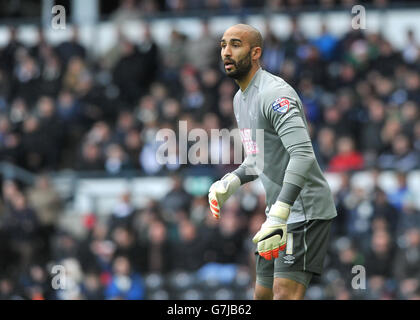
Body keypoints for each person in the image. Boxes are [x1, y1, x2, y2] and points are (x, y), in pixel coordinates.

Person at [208, 24, 337, 300]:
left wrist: (280, 213)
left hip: (304, 210)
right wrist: (232, 181)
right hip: (276, 214)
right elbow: (259, 157)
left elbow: (302, 156)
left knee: (284, 294)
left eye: (235, 44)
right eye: (223, 45)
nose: (226, 52)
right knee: (262, 295)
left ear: (256, 53)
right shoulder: (239, 99)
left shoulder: (275, 94)